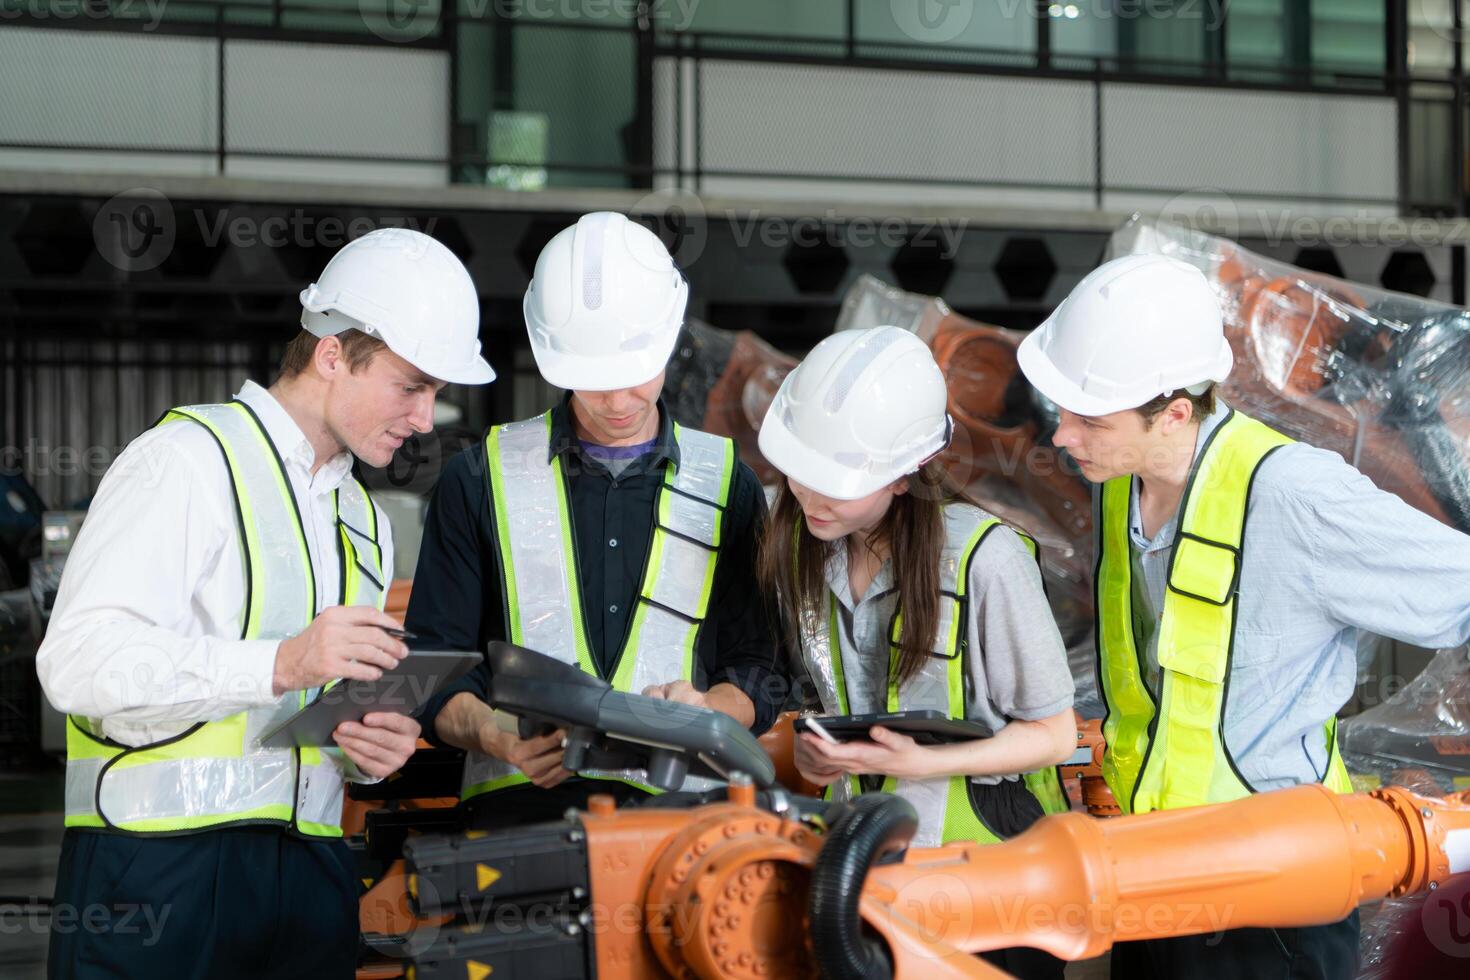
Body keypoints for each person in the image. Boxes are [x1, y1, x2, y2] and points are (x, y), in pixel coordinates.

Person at [37, 228, 495, 980]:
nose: (424, 418)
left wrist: (368, 757)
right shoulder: (187, 462)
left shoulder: (364, 521)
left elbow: (322, 722)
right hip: (157, 873)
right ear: (332, 355)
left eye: (435, 394)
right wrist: (280, 662)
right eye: (412, 387)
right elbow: (77, 662)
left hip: (309, 876)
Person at [1017, 253, 1470, 979]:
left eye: (1087, 418)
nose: (1062, 436)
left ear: (1171, 413)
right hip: (1154, 874)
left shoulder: (1293, 496)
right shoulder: (1120, 484)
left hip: (1274, 902)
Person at [409, 211, 781, 829]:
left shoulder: (727, 482)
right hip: (516, 823)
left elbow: (760, 666)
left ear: (667, 343)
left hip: (682, 824)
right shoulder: (477, 478)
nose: (614, 401)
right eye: (591, 380)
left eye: (633, 375)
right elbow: (433, 669)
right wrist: (498, 736)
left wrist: (709, 711)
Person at [757, 325, 1077, 980]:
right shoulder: (802, 549)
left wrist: (924, 763)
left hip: (992, 872)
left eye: (836, 481)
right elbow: (822, 703)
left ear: (904, 478)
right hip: (867, 862)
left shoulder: (984, 560)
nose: (810, 495)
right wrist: (818, 760)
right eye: (802, 473)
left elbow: (1052, 735)